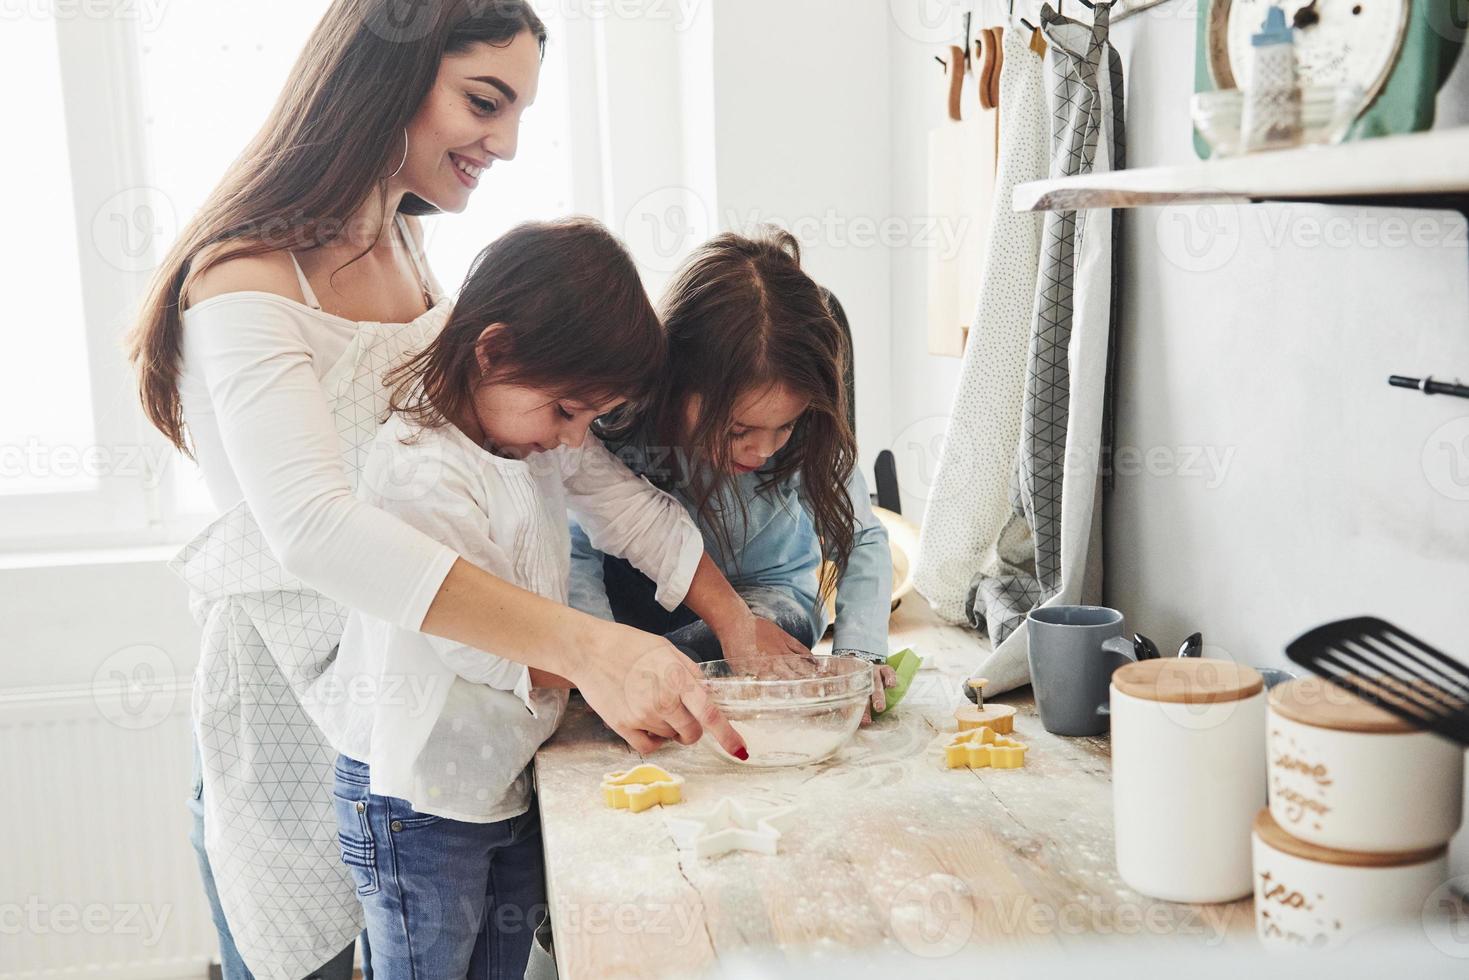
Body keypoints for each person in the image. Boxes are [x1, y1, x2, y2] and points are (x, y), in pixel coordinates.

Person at [126, 4, 749, 977]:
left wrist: (725, 614)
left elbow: (566, 462)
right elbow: (319, 531)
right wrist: (586, 649)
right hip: (299, 731)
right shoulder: (242, 278)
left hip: (434, 723)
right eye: (483, 101)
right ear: (386, 75)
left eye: (517, 111)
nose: (502, 142)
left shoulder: (412, 261)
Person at [570, 228, 899, 722]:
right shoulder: (620, 430)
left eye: (784, 425)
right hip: (638, 612)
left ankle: (680, 666)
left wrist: (861, 653)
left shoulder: (814, 435)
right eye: (739, 429)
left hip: (768, 601)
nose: (764, 449)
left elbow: (863, 539)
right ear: (672, 385)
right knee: (639, 653)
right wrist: (599, 661)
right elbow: (578, 557)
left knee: (776, 629)